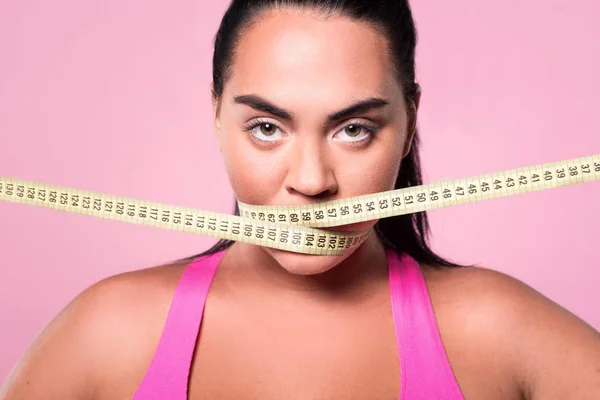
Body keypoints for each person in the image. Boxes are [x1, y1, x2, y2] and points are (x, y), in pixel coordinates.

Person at [2, 0, 599, 398]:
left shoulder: (495, 329)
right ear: (216, 114)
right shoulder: (109, 331)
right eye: (266, 127)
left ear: (410, 118)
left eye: (354, 129)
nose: (312, 181)